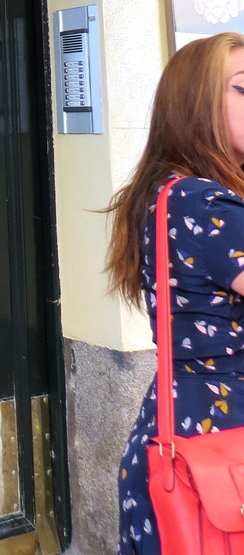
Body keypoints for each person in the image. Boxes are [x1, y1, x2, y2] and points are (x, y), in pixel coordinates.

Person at [105, 32, 244, 554]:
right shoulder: (204, 204)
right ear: (197, 104)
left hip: (184, 438)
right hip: (218, 447)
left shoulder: (170, 195)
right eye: (243, 88)